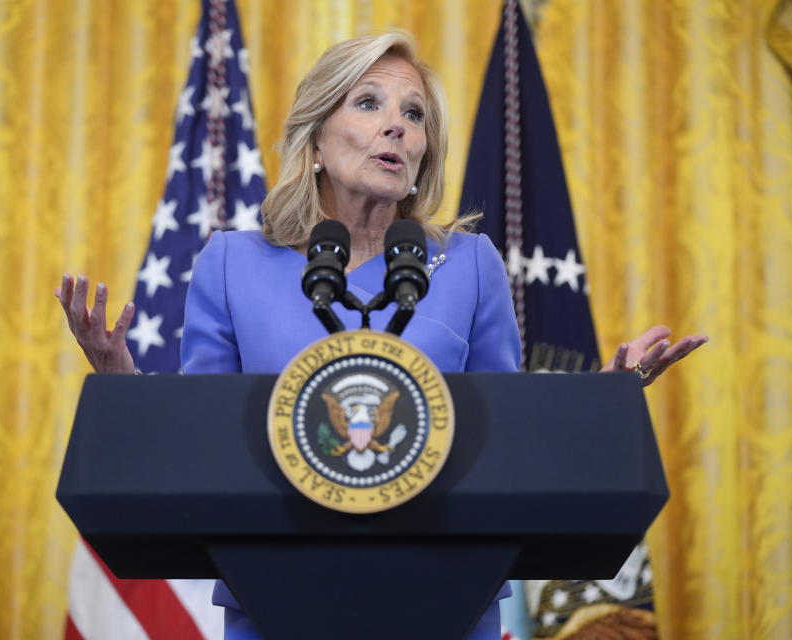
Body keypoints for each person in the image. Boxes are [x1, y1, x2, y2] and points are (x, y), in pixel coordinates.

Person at [55, 31, 706, 640]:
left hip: (450, 595)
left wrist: (603, 402)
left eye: (415, 113)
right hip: (275, 597)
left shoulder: (470, 265)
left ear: (425, 150)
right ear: (314, 140)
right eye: (369, 103)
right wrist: (120, 380)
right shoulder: (232, 265)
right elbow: (202, 441)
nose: (398, 124)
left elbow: (508, 437)